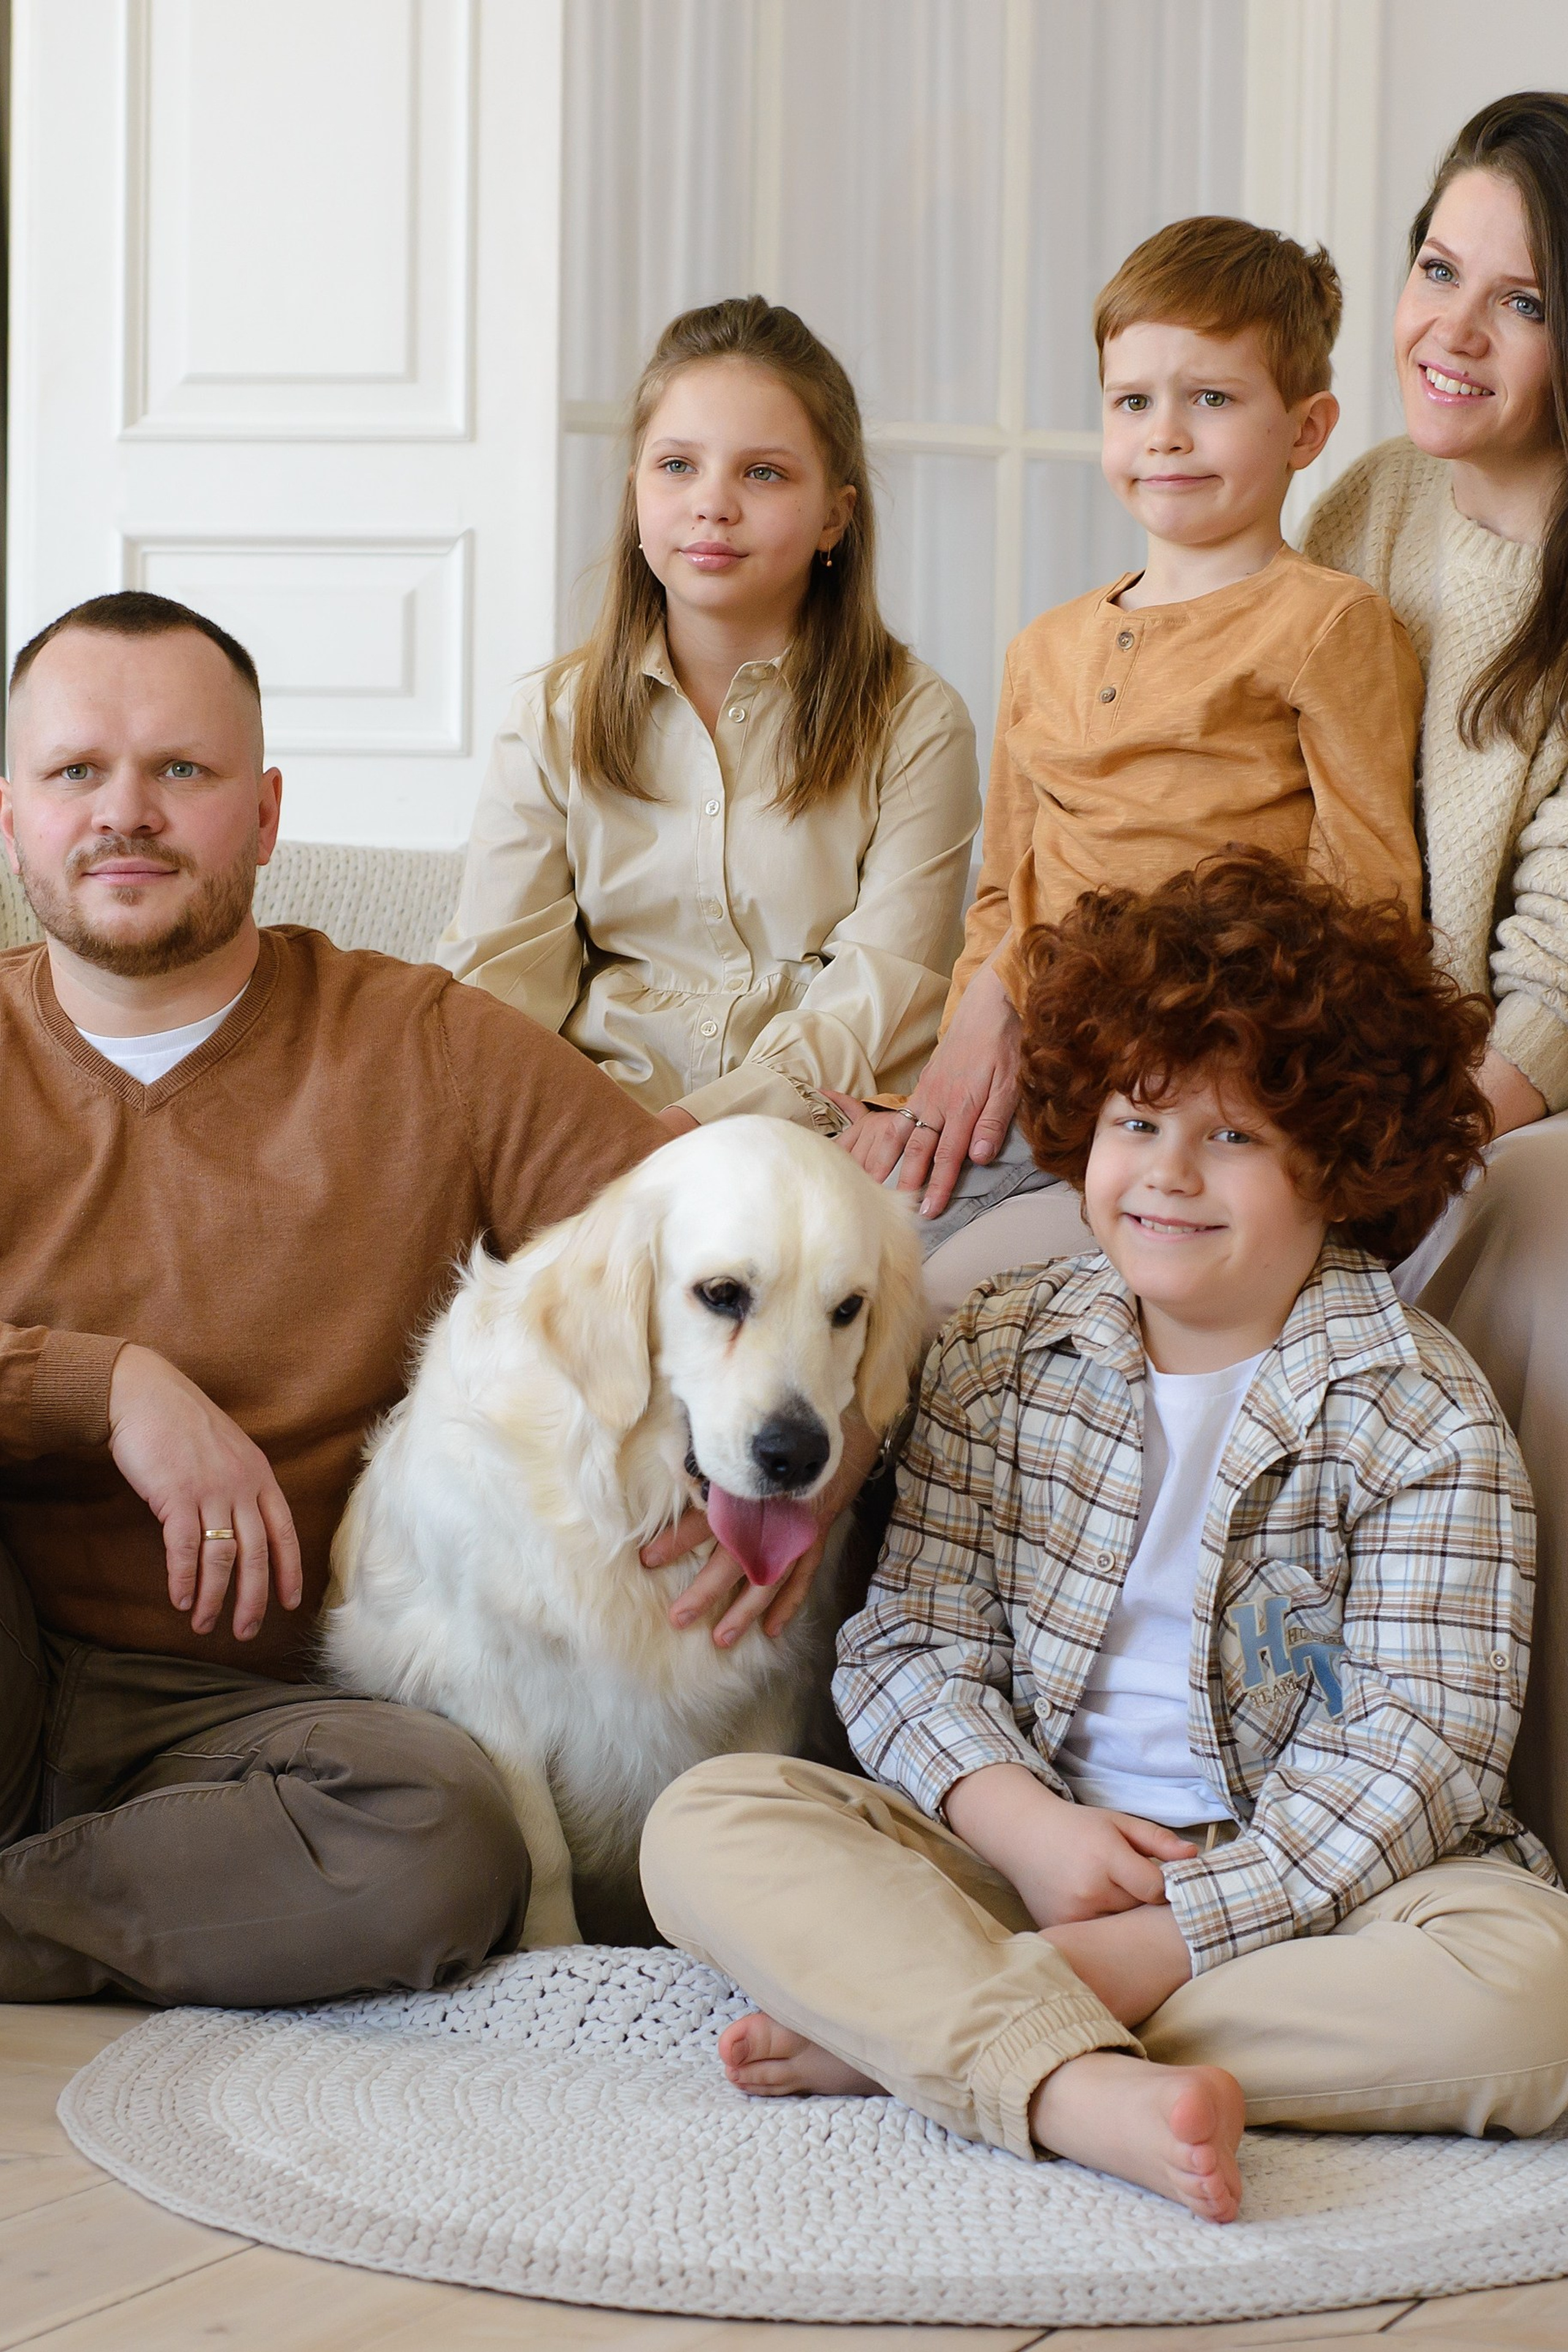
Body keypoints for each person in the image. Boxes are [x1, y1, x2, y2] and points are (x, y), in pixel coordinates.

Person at [643, 853, 1568, 2225]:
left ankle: (921, 2030)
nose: (1167, 1177)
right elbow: (912, 1642)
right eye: (1135, 1125)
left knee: (1529, 2006)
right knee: (708, 1821)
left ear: (1337, 1160)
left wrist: (1157, 1942)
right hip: (1025, 1860)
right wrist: (1023, 1829)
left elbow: (1420, 1750)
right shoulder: (999, 1351)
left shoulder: (1417, 1411)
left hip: (1311, 1894)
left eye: (1234, 1137)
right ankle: (1068, 2081)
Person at [0, 590, 864, 2010]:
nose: (128, 812)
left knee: (440, 1852)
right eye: (78, 771)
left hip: (274, 1729)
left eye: (184, 771)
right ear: (14, 814)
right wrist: (108, 1388)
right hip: (11, 1651)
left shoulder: (429, 1046)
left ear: (267, 814)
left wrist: (807, 1458)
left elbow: (717, 1233)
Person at [835, 216, 1425, 1302]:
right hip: (1027, 1072)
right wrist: (952, 1069)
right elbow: (1002, 895)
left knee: (906, 1303)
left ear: (1307, 428)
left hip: (1197, 1075)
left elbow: (1369, 894)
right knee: (827, 1260)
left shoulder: (1328, 626)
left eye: (1212, 398)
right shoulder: (1043, 647)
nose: (1165, 434)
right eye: (1132, 401)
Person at [1300, 93, 1568, 1868]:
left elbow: (1554, 986)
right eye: (1433, 269)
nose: (1450, 331)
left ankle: (1503, 1828)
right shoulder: (1369, 502)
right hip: (1339, 1073)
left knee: (1535, 1224)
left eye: (1523, 300)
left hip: (1518, 1095)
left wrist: (1385, 1159)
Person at [435, 296, 980, 1142]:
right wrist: (576, 1145)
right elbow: (497, 990)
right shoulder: (549, 719)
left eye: (763, 472)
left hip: (810, 1143)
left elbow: (884, 1001)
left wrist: (689, 1133)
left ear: (835, 514)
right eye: (677, 465)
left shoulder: (917, 722)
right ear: (636, 495)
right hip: (580, 1137)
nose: (712, 504)